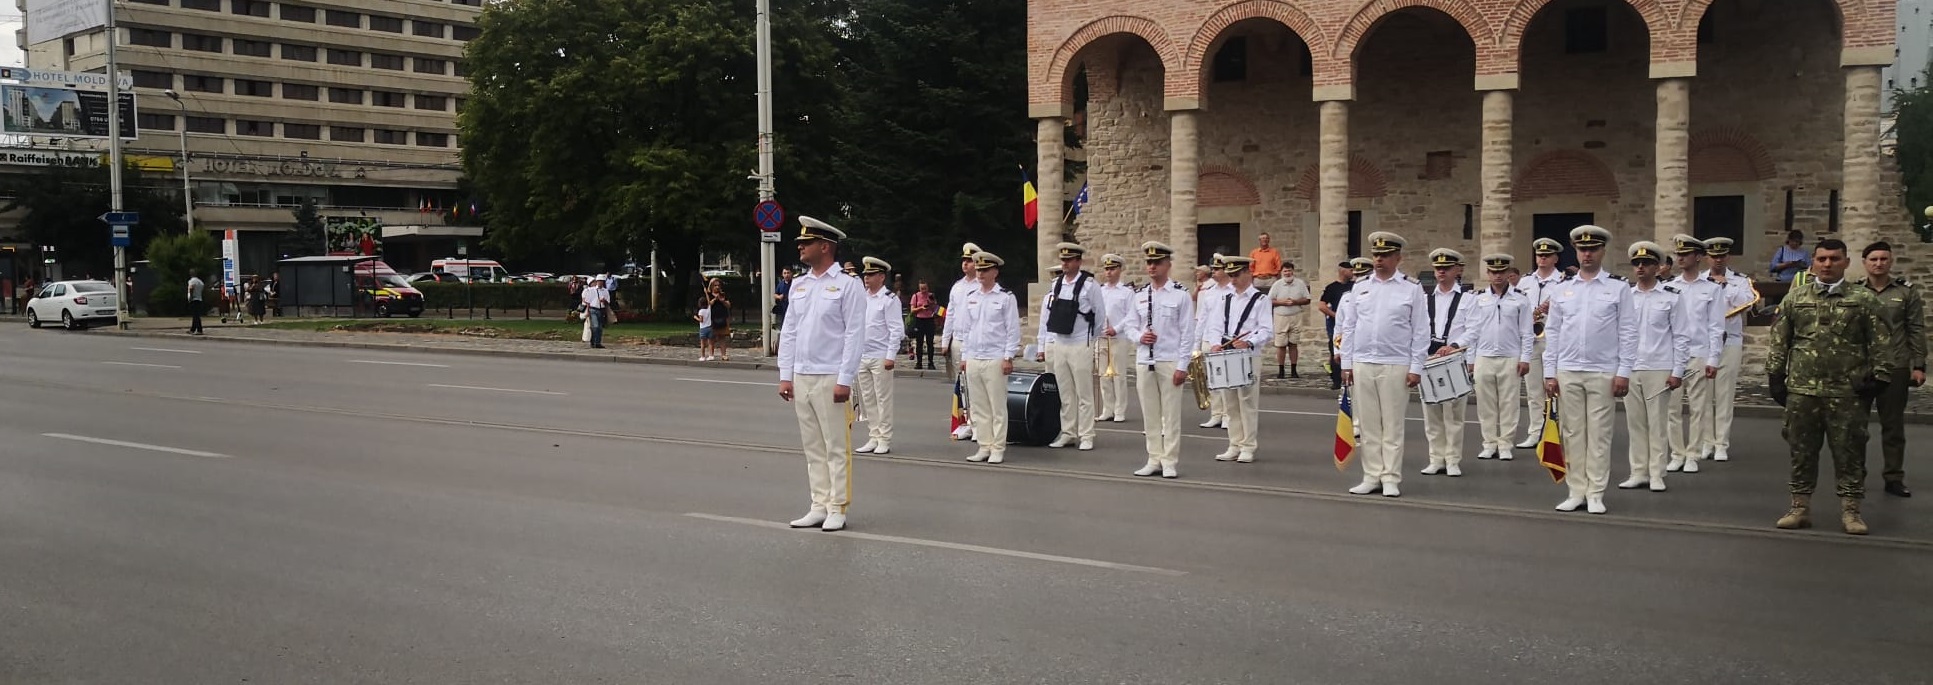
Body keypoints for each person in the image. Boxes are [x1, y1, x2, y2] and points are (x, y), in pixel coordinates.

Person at [1767, 238, 1892, 535]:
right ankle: (1799, 507)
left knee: (1850, 452)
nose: (1827, 264)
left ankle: (1851, 511)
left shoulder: (1863, 300)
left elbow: (1882, 342)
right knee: (1801, 451)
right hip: (1803, 391)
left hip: (1847, 392)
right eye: (1821, 259)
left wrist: (1880, 377)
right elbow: (1780, 340)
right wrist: (1775, 376)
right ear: (1813, 262)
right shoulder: (1796, 298)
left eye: (1834, 259)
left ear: (1846, 263)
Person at [776, 216, 867, 532]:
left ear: (825, 247)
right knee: (812, 446)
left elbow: (855, 334)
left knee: (835, 446)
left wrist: (845, 379)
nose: (801, 247)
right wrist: (785, 374)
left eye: (807, 242)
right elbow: (789, 331)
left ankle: (837, 506)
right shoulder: (800, 285)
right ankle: (818, 504)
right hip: (803, 375)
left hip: (831, 376)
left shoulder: (848, 285)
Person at [1543, 225, 1637, 515]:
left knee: (1599, 435)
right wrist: (1549, 371)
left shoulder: (1618, 287)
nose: (1587, 254)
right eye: (1582, 249)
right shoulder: (1562, 289)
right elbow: (1553, 331)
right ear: (1576, 251)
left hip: (1602, 370)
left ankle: (1596, 492)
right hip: (1568, 369)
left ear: (1602, 251)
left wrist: (1624, 371)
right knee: (1573, 434)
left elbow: (1628, 332)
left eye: (1592, 249)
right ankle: (1576, 490)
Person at [1337, 232, 1428, 497]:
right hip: (1364, 362)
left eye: (1385, 255)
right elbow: (1350, 326)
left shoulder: (1411, 288)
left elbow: (1421, 330)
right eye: (1376, 255)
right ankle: (1372, 474)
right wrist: (1347, 362)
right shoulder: (1361, 286)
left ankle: (1390, 476)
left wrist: (1416, 367)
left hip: (1395, 363)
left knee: (1392, 424)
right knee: (1367, 425)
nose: (1379, 260)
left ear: (1398, 257)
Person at [1856, 241, 1926, 498]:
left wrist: (1918, 365)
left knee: (1893, 426)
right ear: (1864, 262)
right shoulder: (1855, 292)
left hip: (1895, 364)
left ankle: (1894, 477)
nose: (1878, 263)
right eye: (1873, 259)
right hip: (1861, 366)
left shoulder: (1905, 293)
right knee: (1856, 426)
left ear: (1891, 262)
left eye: (1883, 259)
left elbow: (1915, 329)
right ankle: (1855, 476)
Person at [1618, 242, 1686, 493]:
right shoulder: (1625, 296)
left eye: (1646, 263)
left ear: (1658, 267)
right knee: (1635, 423)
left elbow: (1681, 335)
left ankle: (1657, 473)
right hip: (1631, 366)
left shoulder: (1671, 296)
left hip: (1659, 365)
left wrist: (1677, 370)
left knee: (1657, 423)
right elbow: (1620, 333)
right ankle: (1638, 471)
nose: (1640, 268)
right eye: (1636, 264)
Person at [1125, 242, 1196, 478]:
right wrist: (1139, 337)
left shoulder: (1180, 294)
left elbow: (1187, 332)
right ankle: (1153, 457)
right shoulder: (1139, 295)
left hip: (1169, 359)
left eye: (1157, 262)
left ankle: (1170, 461)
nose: (1152, 266)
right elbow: (1130, 326)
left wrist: (1182, 365)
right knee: (1150, 413)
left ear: (1168, 265)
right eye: (1149, 262)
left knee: (1171, 414)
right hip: (1145, 360)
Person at [1459, 254, 1534, 463]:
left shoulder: (1520, 298)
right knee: (1485, 404)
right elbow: (1472, 331)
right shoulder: (1478, 298)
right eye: (1493, 272)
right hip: (1484, 356)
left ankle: (1505, 444)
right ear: (1488, 274)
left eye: (1501, 272)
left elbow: (1527, 332)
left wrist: (1525, 357)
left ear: (1509, 273)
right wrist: (1471, 358)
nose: (1498, 276)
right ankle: (1489, 443)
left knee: (1509, 404)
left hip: (1510, 356)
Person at [1034, 242, 1107, 451]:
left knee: (1084, 392)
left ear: (1078, 261)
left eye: (1068, 260)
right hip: (1060, 343)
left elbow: (1100, 315)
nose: (1064, 263)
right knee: (1065, 392)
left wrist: (1089, 339)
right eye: (1063, 260)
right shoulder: (1057, 284)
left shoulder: (1089, 285)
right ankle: (1068, 432)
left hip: (1080, 343)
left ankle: (1086, 434)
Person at [1199, 255, 1269, 462]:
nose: (1233, 279)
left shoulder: (1260, 300)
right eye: (1231, 275)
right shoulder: (1226, 299)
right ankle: (1234, 443)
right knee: (1230, 402)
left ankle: (1248, 446)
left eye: (1237, 275)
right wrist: (1214, 343)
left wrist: (1249, 342)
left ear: (1248, 273)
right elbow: (1215, 325)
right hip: (1227, 352)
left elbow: (1266, 329)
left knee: (1247, 401)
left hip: (1248, 353)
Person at [1664, 235, 1723, 474]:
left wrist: (1713, 358)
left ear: (1698, 257)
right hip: (1673, 355)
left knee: (1699, 407)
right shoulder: (1670, 287)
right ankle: (1677, 453)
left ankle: (1693, 454)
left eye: (1685, 254)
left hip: (1699, 352)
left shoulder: (1711, 289)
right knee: (1672, 408)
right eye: (1678, 254)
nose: (1680, 258)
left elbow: (1716, 326)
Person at [955, 251, 1019, 463]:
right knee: (979, 405)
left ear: (995, 272)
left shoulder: (1005, 297)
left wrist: (1008, 356)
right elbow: (966, 329)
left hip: (995, 356)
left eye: (985, 270)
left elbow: (1012, 330)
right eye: (979, 270)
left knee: (997, 406)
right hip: (974, 356)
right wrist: (964, 356)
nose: (980, 273)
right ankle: (984, 445)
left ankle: (998, 447)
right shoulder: (971, 297)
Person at [1419, 248, 1475, 477]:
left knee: (1453, 415)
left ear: (1456, 270)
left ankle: (1452, 459)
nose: (1441, 272)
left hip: (1453, 358)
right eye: (1438, 268)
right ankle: (1436, 458)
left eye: (1446, 268)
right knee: (1431, 413)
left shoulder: (1468, 299)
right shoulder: (1425, 298)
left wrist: (1453, 346)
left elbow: (1474, 329)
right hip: (1430, 358)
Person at [1704, 236, 1758, 462]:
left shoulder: (1740, 281)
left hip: (1730, 339)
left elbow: (1746, 302)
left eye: (1722, 256)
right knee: (1703, 396)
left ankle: (1721, 444)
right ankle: (1705, 441)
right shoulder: (1697, 280)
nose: (1717, 260)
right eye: (1713, 256)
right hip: (1704, 342)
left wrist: (1724, 287)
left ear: (1728, 256)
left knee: (1724, 395)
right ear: (1707, 257)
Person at [1515, 237, 1567, 449]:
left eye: (1547, 255)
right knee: (1534, 390)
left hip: (1555, 341)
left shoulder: (1564, 281)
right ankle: (1535, 431)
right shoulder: (1525, 281)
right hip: (1531, 340)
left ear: (1555, 258)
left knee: (1557, 389)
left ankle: (1557, 432)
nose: (1542, 259)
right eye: (1539, 255)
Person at [855, 257, 904, 455]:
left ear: (882, 277)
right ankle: (873, 436)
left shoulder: (889, 299)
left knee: (883, 399)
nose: (866, 278)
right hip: (862, 354)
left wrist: (890, 355)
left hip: (880, 355)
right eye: (865, 274)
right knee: (868, 399)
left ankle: (884, 438)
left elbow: (896, 329)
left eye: (871, 274)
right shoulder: (861, 297)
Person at [1095, 253, 1137, 423]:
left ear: (1119, 270)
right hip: (1101, 337)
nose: (1109, 272)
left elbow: (1131, 315)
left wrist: (1117, 328)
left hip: (1118, 337)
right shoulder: (1100, 291)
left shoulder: (1126, 292)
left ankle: (1120, 410)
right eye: (1106, 269)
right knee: (1103, 375)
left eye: (1112, 269)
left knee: (1118, 375)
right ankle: (1108, 408)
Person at [1196, 255, 1234, 429]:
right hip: (1209, 339)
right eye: (1213, 269)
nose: (1214, 272)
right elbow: (1202, 318)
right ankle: (1216, 414)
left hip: (1224, 341)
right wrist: (1196, 342)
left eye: (1217, 269)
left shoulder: (1233, 291)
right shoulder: (1209, 292)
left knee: (1225, 380)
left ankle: (1228, 415)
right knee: (1212, 380)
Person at [1268, 261, 1312, 379]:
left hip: (1295, 315)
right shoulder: (1277, 284)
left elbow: (1308, 299)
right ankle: (1281, 370)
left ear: (1293, 271)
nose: (1288, 273)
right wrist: (1281, 302)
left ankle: (1293, 370)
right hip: (1280, 316)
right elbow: (1269, 300)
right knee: (1280, 344)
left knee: (1293, 343)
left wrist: (1295, 302)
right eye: (1285, 271)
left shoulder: (1300, 283)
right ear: (1282, 272)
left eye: (1289, 271)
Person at [909, 280, 939, 370]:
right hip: (919, 320)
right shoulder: (916, 296)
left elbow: (936, 309)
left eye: (925, 288)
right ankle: (919, 362)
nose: (924, 290)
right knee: (919, 343)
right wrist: (921, 308)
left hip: (929, 320)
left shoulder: (931, 295)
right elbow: (912, 310)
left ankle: (930, 362)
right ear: (919, 288)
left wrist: (931, 304)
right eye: (922, 289)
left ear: (928, 287)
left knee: (930, 342)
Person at [581, 275, 610, 349]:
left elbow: (608, 302)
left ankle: (598, 343)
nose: (600, 283)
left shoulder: (605, 291)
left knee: (600, 327)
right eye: (599, 281)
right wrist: (587, 311)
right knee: (595, 326)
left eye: (602, 281)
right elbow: (587, 301)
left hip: (601, 310)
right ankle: (593, 341)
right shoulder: (591, 290)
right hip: (593, 309)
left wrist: (604, 301)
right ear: (597, 282)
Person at [707, 278, 732, 361]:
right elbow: (707, 304)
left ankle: (723, 354)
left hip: (722, 317)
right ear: (711, 286)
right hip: (712, 318)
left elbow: (728, 305)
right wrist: (714, 299)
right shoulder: (708, 294)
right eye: (715, 285)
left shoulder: (723, 294)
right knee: (711, 337)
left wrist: (722, 301)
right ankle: (711, 354)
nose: (717, 287)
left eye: (718, 285)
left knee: (722, 337)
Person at [695, 294, 716, 361]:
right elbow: (709, 300)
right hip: (710, 328)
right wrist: (706, 292)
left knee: (703, 344)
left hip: (703, 329)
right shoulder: (708, 309)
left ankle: (703, 356)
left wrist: (696, 318)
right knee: (710, 343)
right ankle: (711, 355)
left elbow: (701, 320)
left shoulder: (701, 311)